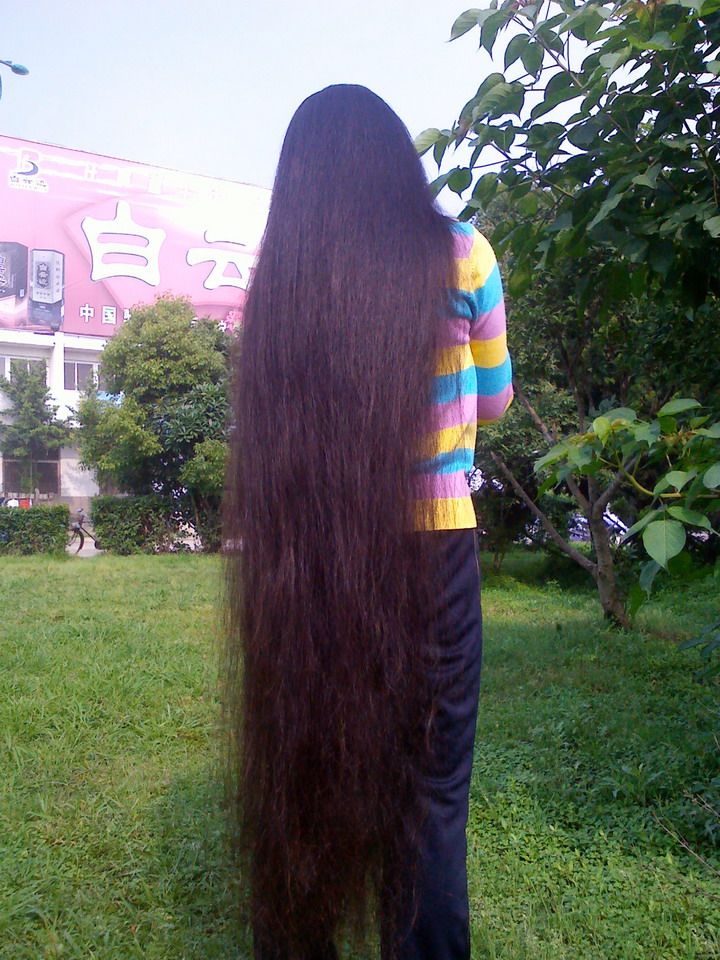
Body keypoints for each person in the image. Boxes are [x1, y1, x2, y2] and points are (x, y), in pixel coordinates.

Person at [223, 84, 512, 960]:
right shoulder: (463, 253)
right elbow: (494, 402)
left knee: (304, 768)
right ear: (397, 162)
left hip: (307, 551)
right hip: (436, 555)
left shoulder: (282, 272)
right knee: (430, 796)